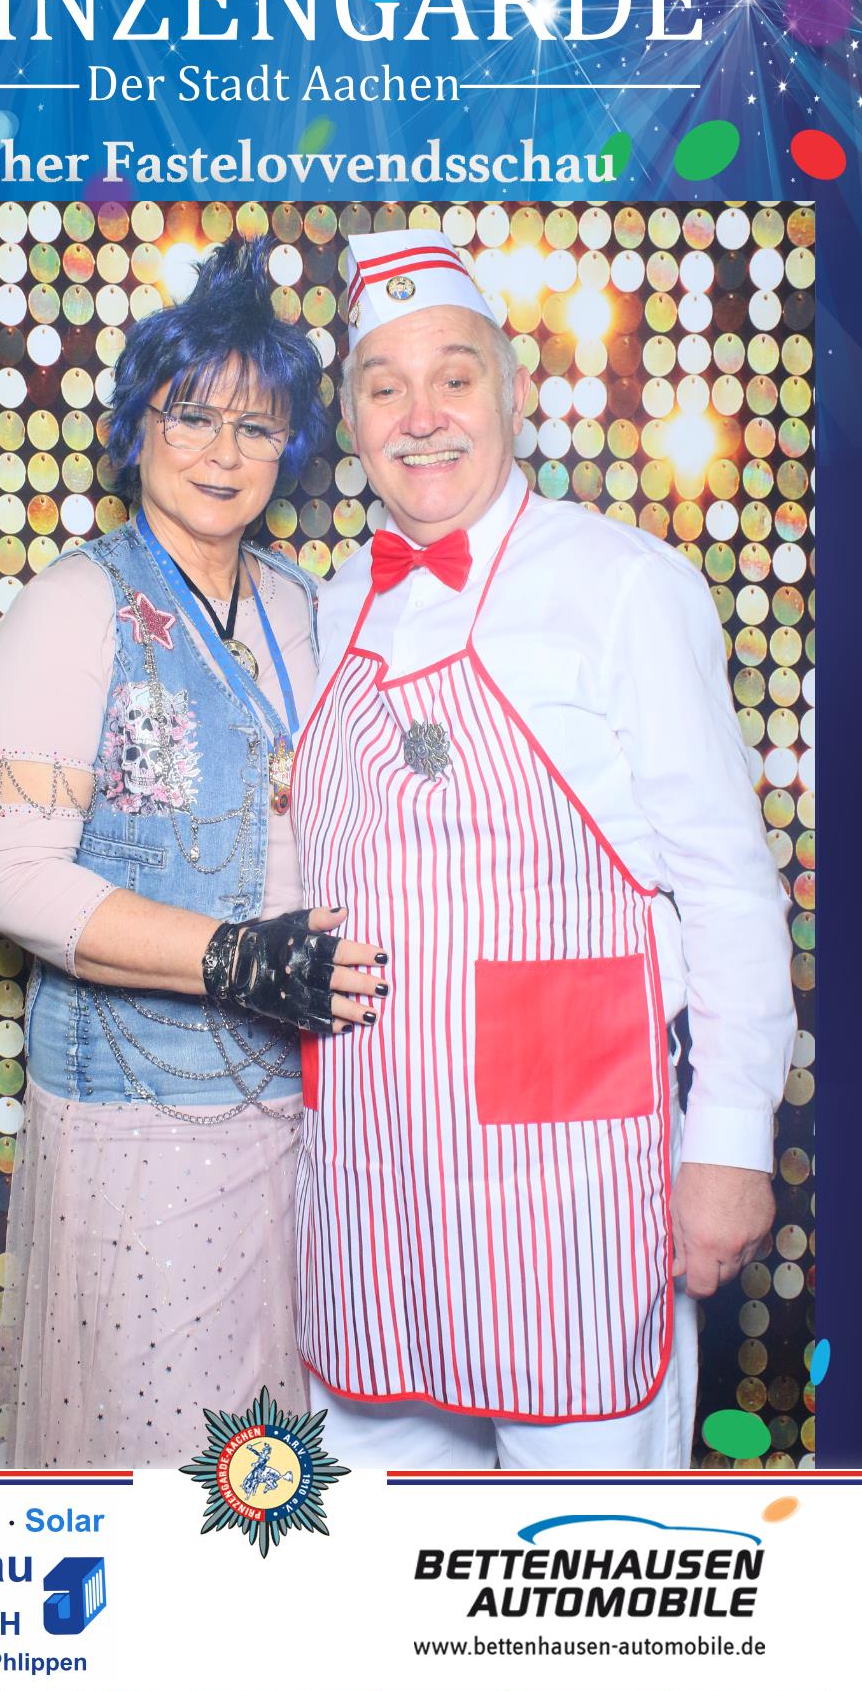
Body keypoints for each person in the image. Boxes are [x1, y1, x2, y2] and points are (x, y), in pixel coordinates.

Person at [289, 228, 796, 1470]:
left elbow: (729, 884)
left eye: (453, 378)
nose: (422, 418)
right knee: (380, 1558)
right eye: (385, 387)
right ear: (352, 420)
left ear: (511, 394)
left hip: (569, 1186)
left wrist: (729, 1143)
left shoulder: (624, 584)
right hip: (372, 1174)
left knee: (587, 1561)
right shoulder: (335, 599)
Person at [0, 239, 385, 1468]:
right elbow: (12, 878)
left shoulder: (306, 602)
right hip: (139, 1121)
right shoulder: (74, 603)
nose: (221, 453)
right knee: (166, 1474)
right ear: (139, 424)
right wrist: (235, 958)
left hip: (311, 1119)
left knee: (278, 1479)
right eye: (192, 415)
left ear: (290, 448)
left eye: (257, 428)